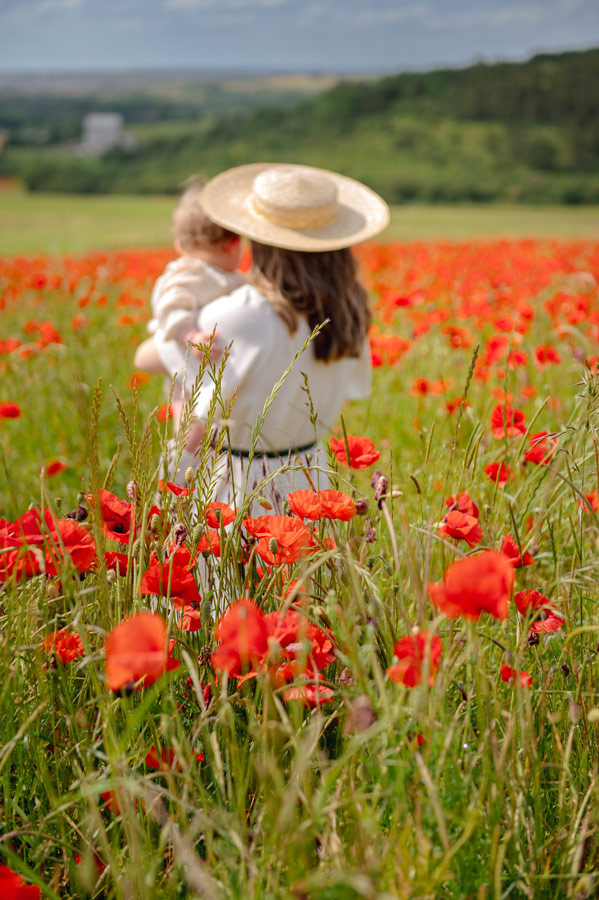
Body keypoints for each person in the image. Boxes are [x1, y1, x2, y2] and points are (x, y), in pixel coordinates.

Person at [138, 162, 389, 516]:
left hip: (236, 489)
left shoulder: (243, 314)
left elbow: (148, 359)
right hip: (311, 480)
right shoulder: (350, 312)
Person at [134, 182, 245, 452]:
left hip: (207, 366)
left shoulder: (229, 277)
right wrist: (190, 336)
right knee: (189, 430)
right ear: (233, 245)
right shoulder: (187, 272)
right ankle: (177, 479)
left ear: (180, 244)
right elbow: (170, 307)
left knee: (209, 429)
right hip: (184, 361)